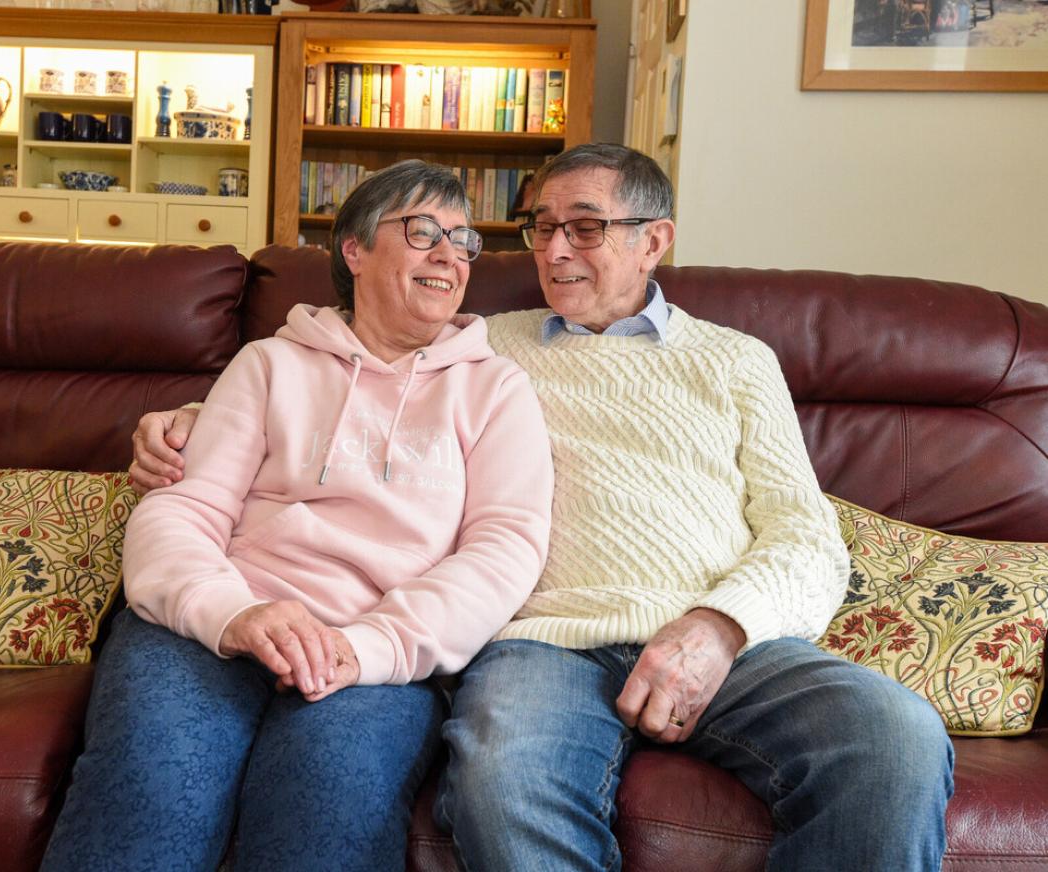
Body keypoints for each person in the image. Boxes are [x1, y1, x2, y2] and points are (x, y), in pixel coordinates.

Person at [128, 144, 955, 872]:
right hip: (542, 643)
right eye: (539, 227)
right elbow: (364, 369)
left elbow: (809, 541)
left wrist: (717, 627)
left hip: (722, 635)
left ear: (654, 239)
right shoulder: (483, 342)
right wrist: (200, 422)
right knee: (503, 783)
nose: (554, 252)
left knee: (894, 741)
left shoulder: (737, 362)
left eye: (585, 227)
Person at [40, 159, 553, 872]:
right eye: (424, 231)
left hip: (374, 649)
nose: (449, 254)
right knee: (154, 786)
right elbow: (181, 510)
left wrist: (369, 647)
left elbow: (505, 549)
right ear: (355, 248)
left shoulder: (495, 388)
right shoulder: (269, 365)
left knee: (326, 800)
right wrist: (234, 613)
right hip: (215, 626)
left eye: (463, 240)